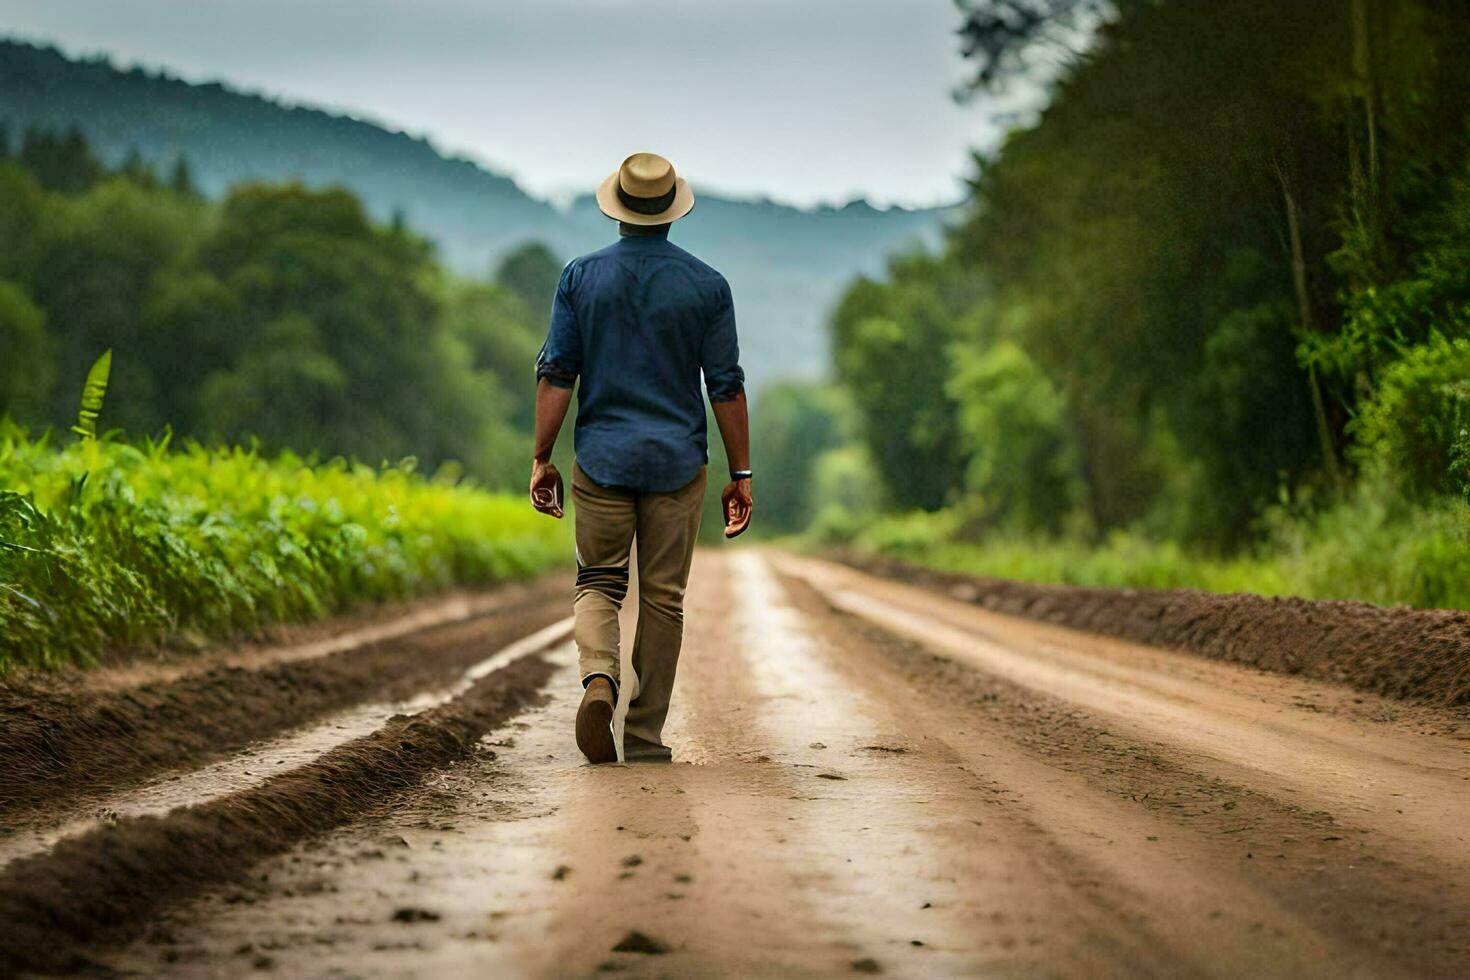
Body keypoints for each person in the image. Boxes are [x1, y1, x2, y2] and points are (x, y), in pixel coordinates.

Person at [529, 152, 753, 765]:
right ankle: (646, 737)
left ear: (619, 209)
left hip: (600, 459)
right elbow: (725, 386)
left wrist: (542, 457)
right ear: (672, 211)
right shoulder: (708, 286)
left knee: (598, 582)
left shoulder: (580, 278)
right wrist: (741, 474)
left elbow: (557, 373)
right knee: (662, 599)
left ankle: (598, 681)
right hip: (677, 464)